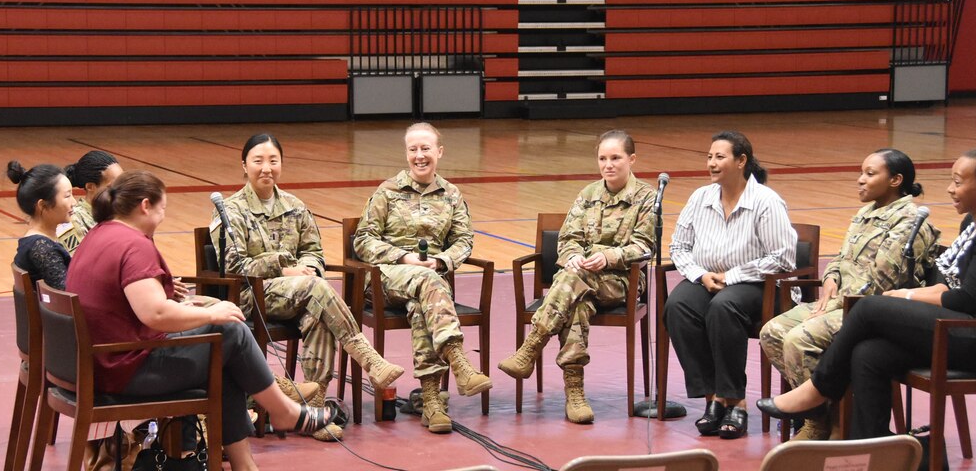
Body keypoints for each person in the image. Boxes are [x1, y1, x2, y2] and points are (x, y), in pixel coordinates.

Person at [757, 141, 976, 443]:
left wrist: (907, 296)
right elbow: (949, 281)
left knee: (868, 308)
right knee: (869, 354)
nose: (950, 189)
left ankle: (819, 389)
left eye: (957, 181)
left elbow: (969, 298)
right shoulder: (974, 223)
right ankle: (870, 443)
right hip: (966, 325)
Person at [66, 170, 334, 471]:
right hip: (125, 371)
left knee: (223, 352)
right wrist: (209, 314)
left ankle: (247, 464)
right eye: (162, 209)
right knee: (230, 330)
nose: (162, 217)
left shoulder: (99, 234)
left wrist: (193, 308)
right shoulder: (133, 244)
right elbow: (155, 314)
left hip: (99, 364)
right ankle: (283, 411)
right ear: (145, 205)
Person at [213, 133, 402, 442]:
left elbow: (314, 252)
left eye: (273, 161)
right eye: (258, 161)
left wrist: (310, 267)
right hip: (253, 296)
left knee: (319, 312)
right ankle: (368, 358)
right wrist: (283, 267)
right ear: (244, 166)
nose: (266, 168)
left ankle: (313, 410)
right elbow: (234, 265)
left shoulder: (295, 206)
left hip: (301, 294)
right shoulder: (232, 210)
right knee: (316, 290)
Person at [759, 149, 940, 440]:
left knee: (799, 340)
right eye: (861, 172)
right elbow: (841, 257)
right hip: (838, 301)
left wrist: (835, 305)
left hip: (868, 311)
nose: (860, 180)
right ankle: (829, 418)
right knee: (772, 332)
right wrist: (831, 276)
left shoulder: (910, 222)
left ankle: (819, 426)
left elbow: (883, 281)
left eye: (870, 174)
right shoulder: (864, 214)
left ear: (895, 180)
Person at [498, 130, 655, 423]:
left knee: (573, 281)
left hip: (622, 282)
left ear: (631, 159)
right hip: (583, 282)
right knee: (578, 302)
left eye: (616, 158)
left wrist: (607, 257)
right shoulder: (588, 195)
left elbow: (644, 246)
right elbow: (568, 237)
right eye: (602, 158)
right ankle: (575, 391)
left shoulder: (646, 197)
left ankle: (531, 347)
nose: (608, 165)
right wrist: (572, 257)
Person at [353, 122, 492, 434]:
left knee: (422, 304)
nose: (419, 155)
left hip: (428, 283)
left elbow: (464, 241)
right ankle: (459, 362)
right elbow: (362, 241)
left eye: (425, 148)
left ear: (439, 152)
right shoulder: (387, 192)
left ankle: (431, 401)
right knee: (427, 282)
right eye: (413, 149)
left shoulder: (452, 195)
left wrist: (442, 260)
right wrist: (404, 258)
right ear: (406, 153)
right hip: (386, 279)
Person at [663, 131, 798, 439]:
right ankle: (713, 397)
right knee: (678, 306)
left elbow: (784, 258)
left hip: (761, 285)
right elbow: (679, 247)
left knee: (724, 307)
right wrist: (700, 275)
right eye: (709, 157)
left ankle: (736, 400)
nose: (712, 163)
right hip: (708, 277)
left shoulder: (766, 201)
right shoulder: (700, 197)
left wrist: (731, 276)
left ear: (741, 161)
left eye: (719, 157)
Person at [7, 161, 75, 290]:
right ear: (43, 206)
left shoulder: (38, 242)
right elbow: (66, 296)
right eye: (67, 196)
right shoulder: (42, 248)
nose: (74, 202)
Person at [59, 150, 122, 254]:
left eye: (122, 183)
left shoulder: (120, 214)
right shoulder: (73, 221)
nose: (121, 190)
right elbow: (79, 263)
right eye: (112, 186)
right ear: (90, 187)